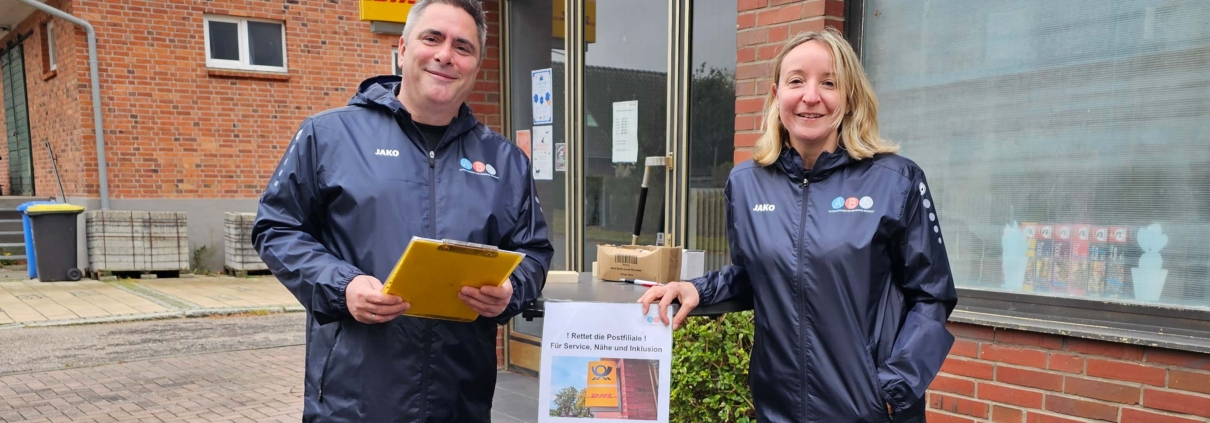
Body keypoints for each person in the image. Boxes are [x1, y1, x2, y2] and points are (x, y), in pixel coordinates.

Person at [251, 0, 553, 421]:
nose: (446, 55)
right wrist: (343, 285)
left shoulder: (505, 161)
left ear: (476, 65)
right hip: (352, 400)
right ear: (404, 47)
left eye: (463, 47)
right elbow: (276, 228)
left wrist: (511, 290)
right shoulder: (329, 135)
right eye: (433, 39)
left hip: (459, 400)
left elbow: (534, 252)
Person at [639, 28, 957, 422]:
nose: (811, 96)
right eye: (796, 81)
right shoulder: (746, 183)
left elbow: (932, 297)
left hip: (870, 411)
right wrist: (696, 289)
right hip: (778, 410)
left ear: (849, 97)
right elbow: (754, 276)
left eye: (829, 82)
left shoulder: (896, 181)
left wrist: (893, 390)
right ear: (776, 94)